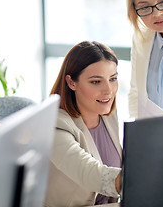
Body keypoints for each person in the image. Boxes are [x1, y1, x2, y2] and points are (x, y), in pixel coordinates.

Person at [45, 41, 122, 206]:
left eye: (113, 79)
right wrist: (138, 180)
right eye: (96, 82)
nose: (108, 91)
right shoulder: (55, 126)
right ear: (72, 82)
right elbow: (89, 173)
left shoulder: (107, 114)